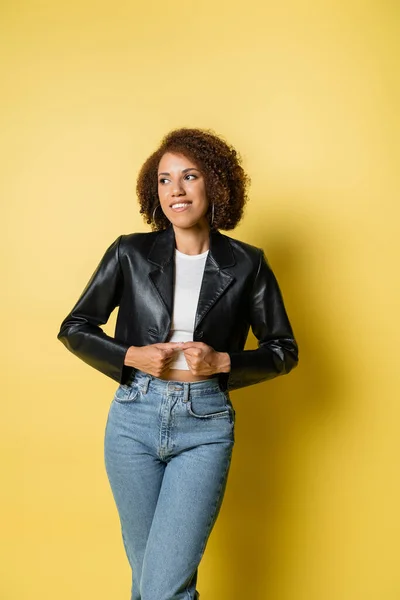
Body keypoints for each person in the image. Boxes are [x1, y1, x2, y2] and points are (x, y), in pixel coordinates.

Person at [57, 127, 299, 600]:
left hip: (204, 424)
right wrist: (131, 355)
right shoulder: (130, 252)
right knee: (148, 583)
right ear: (155, 191)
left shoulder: (248, 264)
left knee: (164, 587)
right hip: (133, 417)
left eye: (189, 177)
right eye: (165, 180)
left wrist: (223, 361)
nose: (177, 190)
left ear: (215, 184)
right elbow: (75, 326)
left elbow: (283, 350)